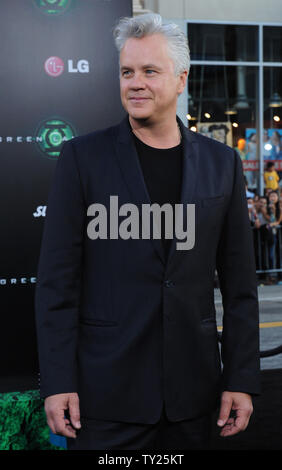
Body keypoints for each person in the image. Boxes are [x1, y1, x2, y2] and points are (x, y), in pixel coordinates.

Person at [35, 13, 260, 450]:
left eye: (149, 71)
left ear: (180, 80)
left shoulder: (223, 165)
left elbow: (240, 288)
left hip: (197, 401)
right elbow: (56, 284)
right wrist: (58, 382)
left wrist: (242, 377)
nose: (135, 83)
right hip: (104, 403)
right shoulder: (82, 159)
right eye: (126, 72)